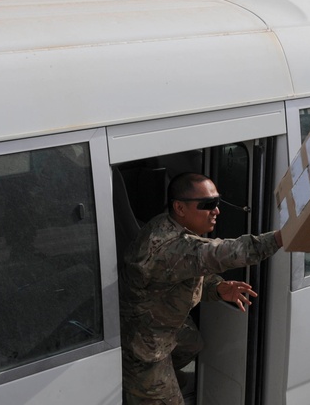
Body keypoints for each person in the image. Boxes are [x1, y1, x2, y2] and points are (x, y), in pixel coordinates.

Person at [120, 172, 283, 405]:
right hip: (143, 346)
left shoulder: (166, 224)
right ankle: (145, 387)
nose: (216, 210)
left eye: (218, 202)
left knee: (192, 343)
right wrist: (282, 237)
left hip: (156, 322)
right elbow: (225, 253)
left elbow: (185, 271)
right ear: (180, 207)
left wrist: (217, 287)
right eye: (208, 204)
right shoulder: (170, 247)